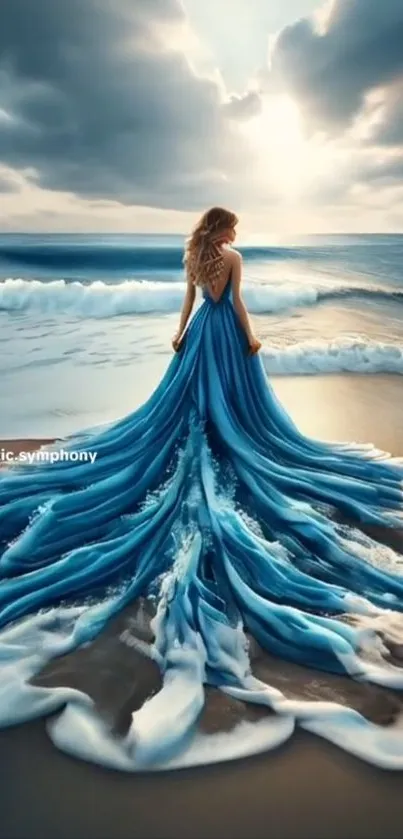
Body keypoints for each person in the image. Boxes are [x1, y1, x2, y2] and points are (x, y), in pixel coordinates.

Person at [0, 206, 403, 772]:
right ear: (224, 230)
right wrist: (253, 340)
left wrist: (179, 332)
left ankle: (207, 432)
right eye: (234, 226)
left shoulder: (193, 257)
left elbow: (188, 303)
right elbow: (236, 305)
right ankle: (225, 436)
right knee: (236, 408)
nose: (238, 234)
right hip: (222, 336)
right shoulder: (233, 260)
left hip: (196, 338)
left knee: (184, 405)